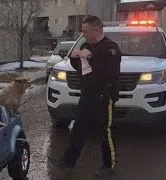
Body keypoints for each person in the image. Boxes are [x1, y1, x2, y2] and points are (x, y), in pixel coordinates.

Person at [50, 16, 122, 177]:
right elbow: (81, 68)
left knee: (106, 132)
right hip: (87, 95)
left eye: (86, 31)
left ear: (97, 30)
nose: (83, 34)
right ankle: (68, 161)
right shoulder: (86, 45)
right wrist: (76, 58)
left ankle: (109, 165)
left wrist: (88, 56)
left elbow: (107, 72)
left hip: (104, 96)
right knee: (78, 129)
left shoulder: (110, 48)